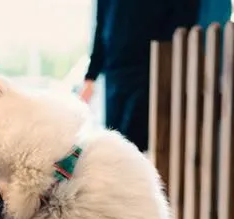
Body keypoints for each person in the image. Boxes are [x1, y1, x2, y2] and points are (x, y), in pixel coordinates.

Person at [78, 0, 205, 152]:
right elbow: (101, 28)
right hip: (114, 73)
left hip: (149, 70)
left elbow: (184, 18)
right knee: (113, 143)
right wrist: (91, 76)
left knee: (134, 144)